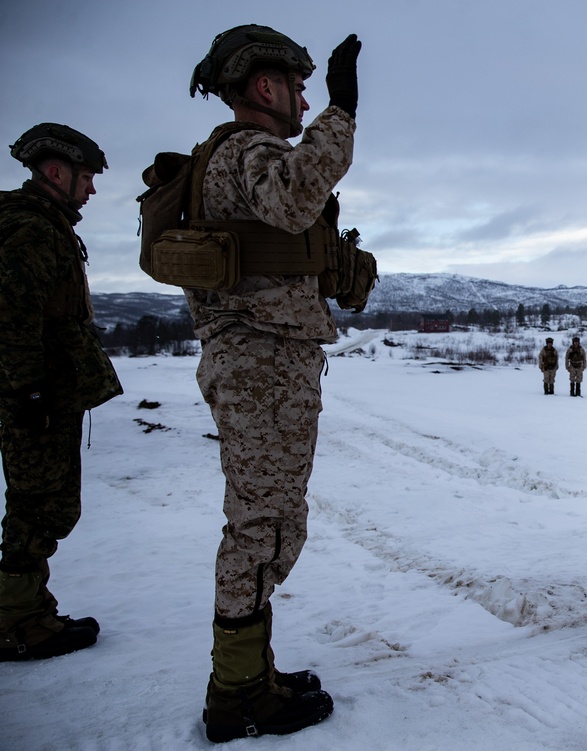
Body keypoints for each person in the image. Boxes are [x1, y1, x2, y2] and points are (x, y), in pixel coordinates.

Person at [184, 25, 360, 741]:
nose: (307, 97)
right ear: (266, 86)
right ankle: (236, 694)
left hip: (262, 362)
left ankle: (250, 672)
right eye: (300, 85)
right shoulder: (249, 150)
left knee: (269, 519)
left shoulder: (228, 158)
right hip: (260, 364)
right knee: (263, 526)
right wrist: (343, 113)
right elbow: (292, 198)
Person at [0, 124, 122, 661]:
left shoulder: (43, 224)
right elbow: (13, 317)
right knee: (38, 505)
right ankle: (16, 621)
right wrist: (26, 391)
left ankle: (26, 610)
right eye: (87, 178)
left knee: (40, 503)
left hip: (43, 391)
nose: (91, 190)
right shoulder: (30, 229)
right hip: (37, 396)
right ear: (57, 172)